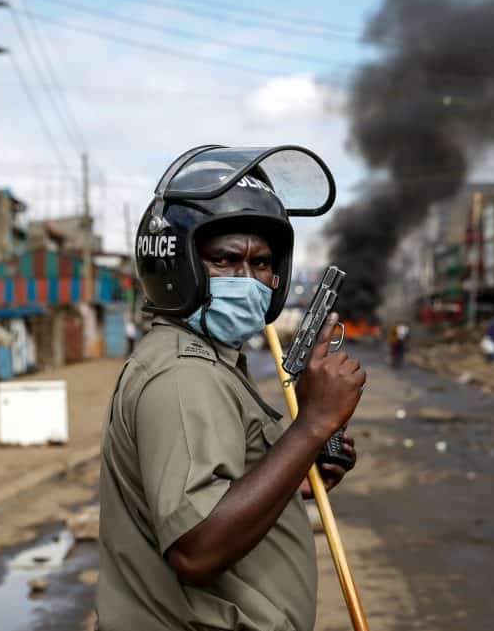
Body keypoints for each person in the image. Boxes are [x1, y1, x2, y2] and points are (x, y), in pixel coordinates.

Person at [97, 145, 366, 631]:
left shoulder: (214, 363)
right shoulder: (184, 376)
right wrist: (312, 425)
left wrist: (291, 479)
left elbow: (219, 490)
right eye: (225, 259)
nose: (249, 280)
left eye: (261, 263)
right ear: (178, 265)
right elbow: (197, 550)